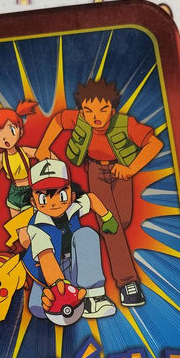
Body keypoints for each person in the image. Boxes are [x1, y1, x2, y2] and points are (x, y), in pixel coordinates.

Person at [35, 78, 163, 306]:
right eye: (88, 110)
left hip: (121, 171)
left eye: (102, 110)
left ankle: (117, 253)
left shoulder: (126, 124)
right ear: (82, 111)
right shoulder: (79, 119)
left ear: (112, 111)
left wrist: (130, 169)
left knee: (121, 222)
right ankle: (128, 284)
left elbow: (155, 144)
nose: (95, 116)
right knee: (111, 224)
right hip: (95, 172)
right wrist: (43, 146)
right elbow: (58, 120)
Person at [22, 159, 118, 320]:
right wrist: (60, 288)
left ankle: (94, 297)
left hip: (76, 266)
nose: (53, 203)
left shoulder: (73, 207)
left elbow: (91, 199)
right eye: (44, 198)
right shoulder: (37, 227)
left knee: (85, 234)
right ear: (33, 202)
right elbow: (46, 258)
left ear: (72, 195)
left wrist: (107, 217)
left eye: (61, 195)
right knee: (39, 309)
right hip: (47, 271)